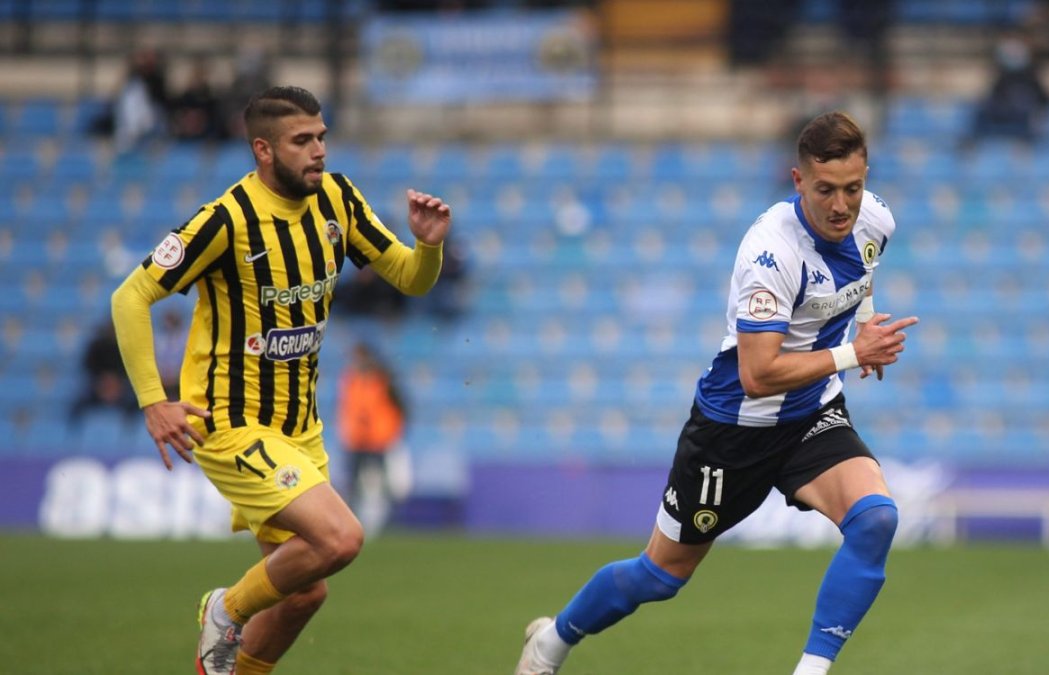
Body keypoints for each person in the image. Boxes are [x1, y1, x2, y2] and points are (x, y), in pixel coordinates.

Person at [514, 112, 918, 675]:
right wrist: (855, 353)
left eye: (852, 188)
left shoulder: (875, 220)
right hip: (734, 430)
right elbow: (759, 374)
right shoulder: (770, 253)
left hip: (812, 415)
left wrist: (867, 322)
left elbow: (863, 272)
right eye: (825, 190)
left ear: (866, 179)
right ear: (798, 181)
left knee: (875, 519)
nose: (841, 206)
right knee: (659, 576)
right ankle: (552, 642)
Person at [110, 85, 450, 675]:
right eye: (302, 141)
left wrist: (426, 247)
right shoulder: (227, 220)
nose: (318, 150)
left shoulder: (337, 200)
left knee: (302, 595)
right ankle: (227, 607)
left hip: (299, 428)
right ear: (263, 150)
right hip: (230, 421)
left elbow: (410, 279)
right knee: (341, 539)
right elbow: (130, 296)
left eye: (321, 136)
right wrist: (153, 401)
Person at [337, 341, 411, 536]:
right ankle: (351, 524)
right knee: (353, 484)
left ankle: (384, 524)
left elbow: (401, 409)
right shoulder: (351, 379)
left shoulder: (384, 380)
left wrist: (392, 433)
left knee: (381, 485)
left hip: (379, 442)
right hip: (355, 441)